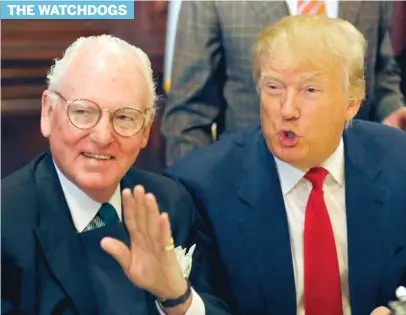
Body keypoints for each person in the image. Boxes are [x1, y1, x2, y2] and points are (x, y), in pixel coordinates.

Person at [109, 15, 406, 315]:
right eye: (274, 87)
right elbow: (208, 305)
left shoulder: (398, 163)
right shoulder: (203, 188)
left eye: (310, 90)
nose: (287, 110)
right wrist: (179, 298)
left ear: (352, 102)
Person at [1, 35, 201, 315]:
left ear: (146, 130)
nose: (103, 137)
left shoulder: (170, 204)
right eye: (83, 112)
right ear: (48, 112)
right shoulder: (6, 221)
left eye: (124, 117)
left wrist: (176, 298)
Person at [161, 0, 406, 166]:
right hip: (250, 188)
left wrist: (391, 110)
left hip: (354, 183)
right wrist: (196, 196)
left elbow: (380, 72)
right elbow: (188, 115)